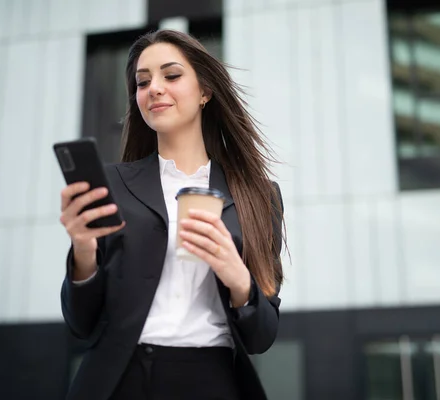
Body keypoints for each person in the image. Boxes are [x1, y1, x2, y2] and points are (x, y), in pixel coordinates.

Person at [59, 29, 286, 400]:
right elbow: (82, 324)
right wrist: (83, 251)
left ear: (205, 92)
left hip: (213, 379)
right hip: (122, 380)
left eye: (172, 75)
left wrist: (238, 278)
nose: (154, 89)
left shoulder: (258, 195)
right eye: (142, 82)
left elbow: (262, 335)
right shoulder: (112, 185)